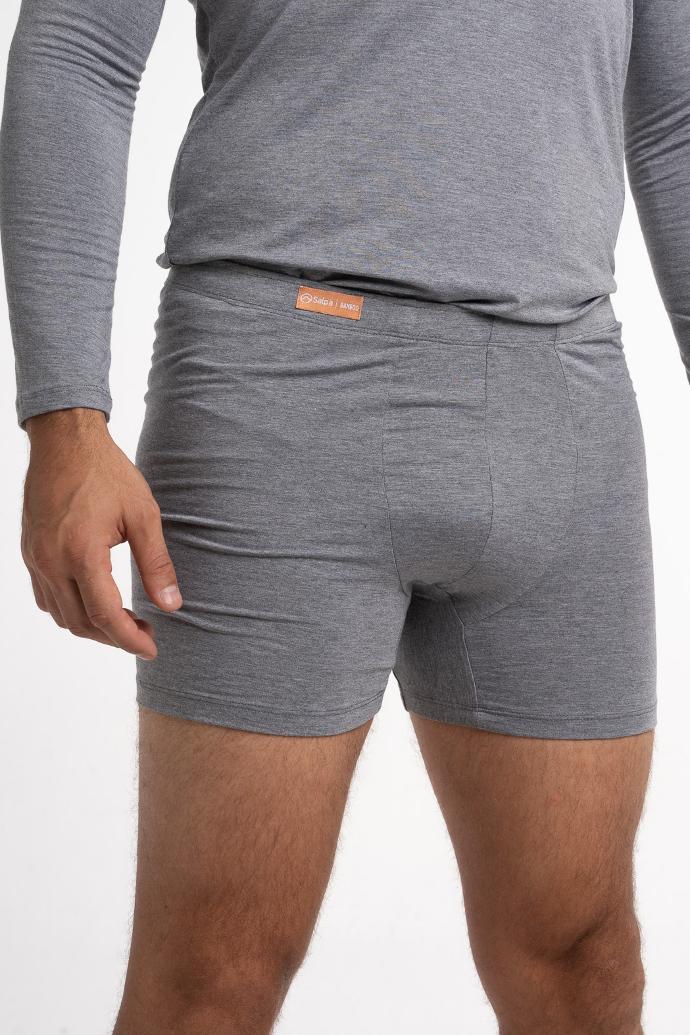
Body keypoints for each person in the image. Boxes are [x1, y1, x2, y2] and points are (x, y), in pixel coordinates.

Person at [1, 0, 685, 1031]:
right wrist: (64, 419)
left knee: (585, 960)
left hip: (565, 391)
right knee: (211, 980)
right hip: (279, 391)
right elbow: (80, 47)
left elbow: (674, 114)